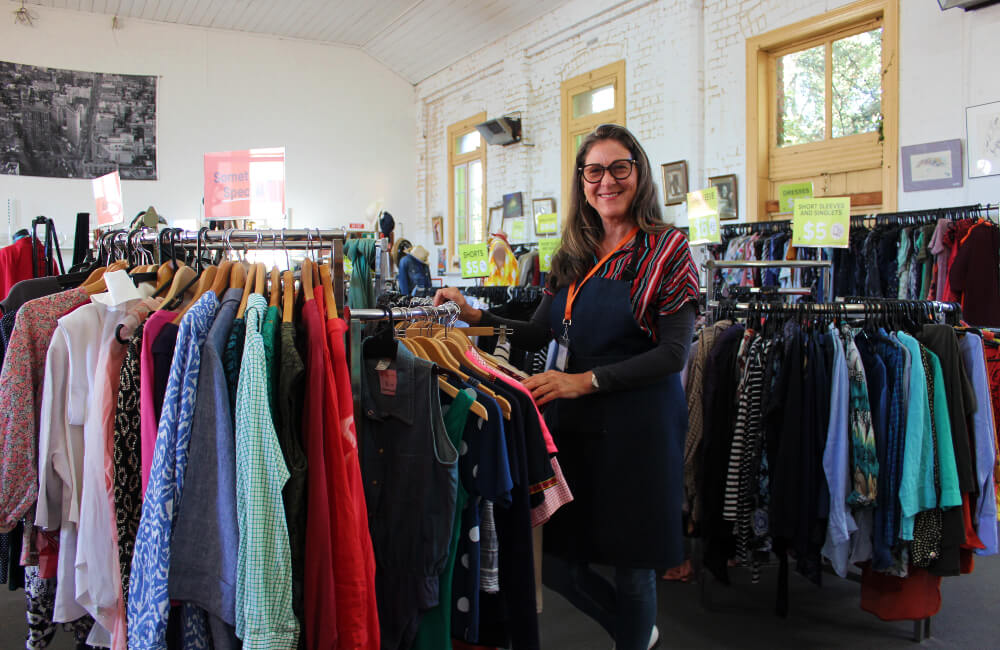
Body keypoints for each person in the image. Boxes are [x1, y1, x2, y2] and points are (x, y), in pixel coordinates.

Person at [434, 123, 699, 650]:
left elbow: (674, 354)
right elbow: (541, 328)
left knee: (633, 564)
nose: (607, 181)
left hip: (639, 424)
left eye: (618, 168)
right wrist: (475, 313)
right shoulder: (574, 251)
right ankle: (638, 636)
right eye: (594, 171)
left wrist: (586, 380)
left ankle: (631, 641)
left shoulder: (667, 250)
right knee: (557, 561)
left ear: (638, 173)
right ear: (583, 181)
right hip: (577, 424)